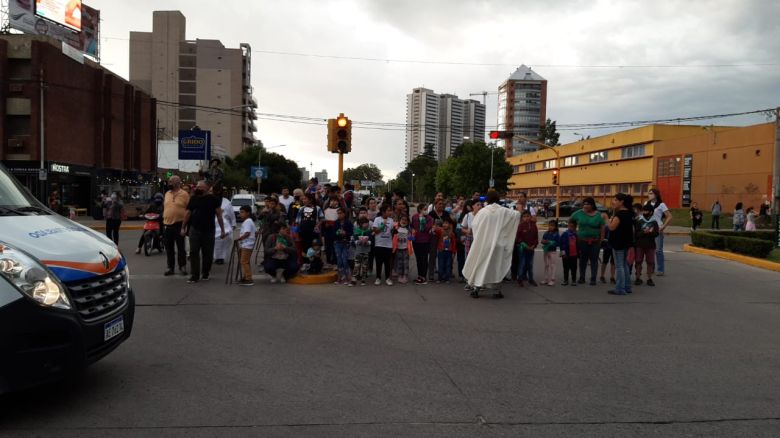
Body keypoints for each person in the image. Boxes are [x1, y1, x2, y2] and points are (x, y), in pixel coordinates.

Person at [462, 190, 521, 299]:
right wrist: (520, 206)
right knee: (496, 266)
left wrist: (481, 236)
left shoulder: (483, 212)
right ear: (498, 199)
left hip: (485, 244)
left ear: (487, 199)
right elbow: (516, 215)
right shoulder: (504, 211)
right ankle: (497, 291)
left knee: (481, 265)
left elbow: (475, 225)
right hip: (498, 245)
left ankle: (476, 289)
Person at [181, 180, 226, 283]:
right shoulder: (193, 199)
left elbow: (219, 215)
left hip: (209, 231)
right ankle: (194, 275)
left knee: (208, 254)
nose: (198, 188)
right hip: (194, 230)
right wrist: (183, 227)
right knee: (193, 253)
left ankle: (205, 273)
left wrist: (222, 230)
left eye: (200, 187)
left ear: (206, 188)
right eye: (197, 187)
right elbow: (187, 213)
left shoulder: (214, 199)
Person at [571, 197, 605, 286]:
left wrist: (601, 239)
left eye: (588, 204)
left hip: (595, 242)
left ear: (592, 205)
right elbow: (571, 221)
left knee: (594, 260)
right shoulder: (578, 213)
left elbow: (602, 227)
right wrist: (574, 232)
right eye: (584, 204)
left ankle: (593, 278)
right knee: (583, 260)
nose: (585, 206)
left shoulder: (598, 215)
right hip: (582, 241)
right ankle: (582, 277)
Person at [606, 193, 636, 296]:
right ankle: (627, 286)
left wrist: (606, 219)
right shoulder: (630, 214)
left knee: (619, 266)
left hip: (618, 242)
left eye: (615, 200)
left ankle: (620, 288)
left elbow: (611, 227)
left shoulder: (620, 215)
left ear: (621, 202)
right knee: (624, 265)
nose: (613, 202)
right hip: (626, 242)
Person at [163, 175, 190, 276]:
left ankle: (182, 266)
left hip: (179, 224)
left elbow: (189, 210)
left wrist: (185, 225)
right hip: (167, 225)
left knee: (181, 248)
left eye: (171, 181)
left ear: (177, 183)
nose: (169, 183)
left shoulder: (184, 194)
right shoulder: (167, 193)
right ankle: (170, 267)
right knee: (169, 248)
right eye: (169, 181)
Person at [645, 189, 672, 276]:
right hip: (648, 229)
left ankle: (660, 269)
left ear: (656, 195)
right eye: (648, 193)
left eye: (651, 193)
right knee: (649, 250)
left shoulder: (661, 204)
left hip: (657, 229)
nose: (649, 195)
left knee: (658, 250)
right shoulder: (646, 204)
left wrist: (663, 226)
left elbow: (669, 216)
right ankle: (650, 268)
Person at [634, 204, 659, 287]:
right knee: (638, 261)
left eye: (646, 211)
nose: (644, 212)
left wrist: (651, 232)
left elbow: (656, 234)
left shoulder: (654, 222)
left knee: (650, 262)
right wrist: (643, 232)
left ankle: (649, 279)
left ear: (651, 212)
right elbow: (636, 234)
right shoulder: (639, 221)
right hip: (640, 245)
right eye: (643, 211)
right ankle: (638, 278)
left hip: (650, 245)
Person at [295, 193, 323, 259]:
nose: (303, 200)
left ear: (310, 200)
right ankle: (306, 263)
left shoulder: (317, 208)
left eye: (305, 199)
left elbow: (322, 219)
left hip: (314, 232)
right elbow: (297, 222)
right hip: (303, 232)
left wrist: (317, 226)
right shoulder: (301, 208)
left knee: (315, 247)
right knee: (305, 247)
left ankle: (316, 262)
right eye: (303, 199)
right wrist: (296, 233)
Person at [411, 203, 433, 285]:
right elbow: (412, 226)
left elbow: (427, 228)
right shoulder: (414, 217)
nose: (426, 210)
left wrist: (422, 221)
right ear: (420, 209)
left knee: (424, 259)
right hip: (416, 241)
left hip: (425, 241)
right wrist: (412, 230)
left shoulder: (429, 218)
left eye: (426, 209)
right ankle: (420, 276)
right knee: (418, 259)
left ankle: (424, 277)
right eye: (424, 209)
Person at [428, 199, 450, 281]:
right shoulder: (431, 214)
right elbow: (430, 226)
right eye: (439, 204)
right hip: (434, 237)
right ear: (435, 205)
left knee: (444, 255)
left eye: (442, 204)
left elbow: (450, 224)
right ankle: (431, 274)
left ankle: (443, 274)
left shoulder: (446, 214)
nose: (441, 205)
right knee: (433, 255)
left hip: (444, 237)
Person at [213, 186, 236, 265]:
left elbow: (231, 214)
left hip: (224, 224)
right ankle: (216, 257)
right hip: (212, 224)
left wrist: (233, 224)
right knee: (215, 243)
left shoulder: (226, 202)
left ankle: (221, 257)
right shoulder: (210, 200)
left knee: (224, 242)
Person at [372, 204, 395, 286]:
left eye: (390, 210)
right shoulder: (377, 219)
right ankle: (378, 278)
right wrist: (382, 225)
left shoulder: (391, 220)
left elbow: (392, 232)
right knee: (378, 262)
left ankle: (388, 278)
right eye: (388, 210)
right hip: (379, 244)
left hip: (388, 245)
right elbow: (375, 231)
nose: (390, 212)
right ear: (383, 212)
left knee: (387, 263)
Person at [515, 211, 539, 287]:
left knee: (530, 264)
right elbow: (518, 238)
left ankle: (531, 279)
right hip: (523, 249)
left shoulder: (534, 226)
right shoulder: (520, 226)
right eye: (524, 216)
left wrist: (534, 245)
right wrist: (523, 244)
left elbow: (536, 238)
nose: (526, 218)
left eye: (528, 216)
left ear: (530, 217)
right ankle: (520, 279)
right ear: (522, 218)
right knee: (522, 264)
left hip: (531, 249)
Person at [236, 205, 256, 286]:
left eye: (242, 212)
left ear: (248, 213)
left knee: (244, 261)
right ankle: (246, 276)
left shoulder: (248, 221)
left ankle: (248, 278)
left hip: (247, 245)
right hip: (246, 244)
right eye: (240, 212)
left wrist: (239, 239)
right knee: (245, 261)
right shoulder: (248, 221)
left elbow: (247, 233)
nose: (240, 214)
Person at [334, 207, 354, 285]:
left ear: (344, 214)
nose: (339, 215)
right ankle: (339, 278)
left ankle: (347, 278)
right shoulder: (336, 223)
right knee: (339, 261)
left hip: (346, 243)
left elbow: (351, 233)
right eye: (338, 213)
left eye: (341, 213)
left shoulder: (348, 222)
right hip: (337, 243)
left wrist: (345, 233)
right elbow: (333, 233)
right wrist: (337, 233)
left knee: (345, 261)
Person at [435, 218, 457, 283]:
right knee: (440, 264)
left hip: (449, 252)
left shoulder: (452, 233)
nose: (445, 224)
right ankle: (440, 278)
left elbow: (454, 243)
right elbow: (435, 230)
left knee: (448, 265)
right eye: (444, 223)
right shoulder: (440, 230)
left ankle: (447, 278)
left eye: (446, 223)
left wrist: (453, 252)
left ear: (450, 225)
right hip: (441, 251)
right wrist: (436, 225)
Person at [393, 215, 413, 284]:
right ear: (399, 221)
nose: (404, 221)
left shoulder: (408, 230)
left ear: (408, 222)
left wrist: (411, 235)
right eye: (402, 219)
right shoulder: (396, 229)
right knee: (399, 263)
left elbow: (412, 239)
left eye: (405, 220)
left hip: (406, 249)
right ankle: (400, 275)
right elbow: (393, 237)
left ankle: (405, 275)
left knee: (405, 263)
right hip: (398, 249)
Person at [353, 216, 372, 286]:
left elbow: (371, 241)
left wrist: (367, 242)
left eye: (367, 223)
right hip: (358, 251)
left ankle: (363, 279)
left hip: (366, 251)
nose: (367, 225)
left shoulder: (368, 231)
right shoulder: (357, 231)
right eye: (365, 223)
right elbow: (354, 241)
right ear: (361, 224)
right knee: (356, 265)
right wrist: (359, 242)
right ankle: (354, 279)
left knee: (365, 266)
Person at [559, 219, 578, 286]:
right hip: (566, 255)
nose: (571, 228)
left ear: (575, 227)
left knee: (574, 268)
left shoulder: (576, 235)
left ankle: (573, 280)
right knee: (566, 268)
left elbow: (578, 245)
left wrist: (579, 254)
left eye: (572, 227)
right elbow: (561, 245)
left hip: (574, 255)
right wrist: (562, 254)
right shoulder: (564, 234)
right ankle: (566, 280)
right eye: (570, 226)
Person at [541, 219, 560, 286]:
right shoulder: (546, 233)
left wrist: (551, 243)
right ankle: (546, 279)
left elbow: (558, 243)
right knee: (546, 265)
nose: (550, 227)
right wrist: (544, 242)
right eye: (550, 225)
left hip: (552, 251)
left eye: (552, 226)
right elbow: (542, 240)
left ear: (555, 227)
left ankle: (552, 279)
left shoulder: (556, 234)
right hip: (546, 251)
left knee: (552, 265)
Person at [599, 212, 616, 285]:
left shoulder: (616, 226)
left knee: (613, 262)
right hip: (607, 246)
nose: (612, 219)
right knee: (605, 261)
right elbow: (603, 235)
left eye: (614, 218)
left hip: (614, 246)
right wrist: (604, 241)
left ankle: (612, 277)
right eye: (611, 217)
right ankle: (602, 276)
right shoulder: (606, 226)